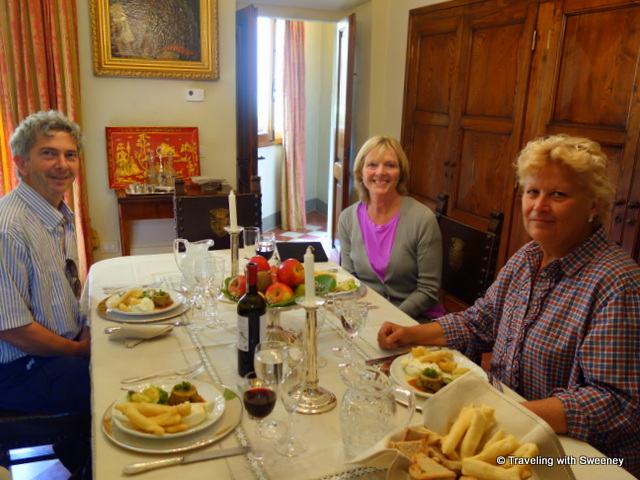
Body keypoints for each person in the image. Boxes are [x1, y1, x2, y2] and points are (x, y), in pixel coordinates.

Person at [377, 134, 640, 477]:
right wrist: (409, 333)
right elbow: (480, 321)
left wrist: (506, 413)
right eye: (532, 192)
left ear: (593, 205)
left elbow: (616, 403)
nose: (539, 206)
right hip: (508, 430)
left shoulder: (617, 284)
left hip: (576, 458)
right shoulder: (527, 257)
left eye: (558, 194)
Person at [0, 110, 91, 478]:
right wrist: (77, 350)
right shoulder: (9, 229)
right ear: (21, 163)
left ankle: (77, 449)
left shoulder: (56, 213)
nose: (62, 165)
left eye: (70, 155)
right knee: (113, 384)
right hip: (15, 370)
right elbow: (13, 328)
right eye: (48, 154)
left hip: (48, 353)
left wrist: (84, 330)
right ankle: (89, 464)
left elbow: (63, 292)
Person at [338, 136, 443, 322]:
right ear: (360, 172)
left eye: (390, 165)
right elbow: (350, 280)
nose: (381, 172)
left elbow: (428, 290)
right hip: (367, 313)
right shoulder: (347, 218)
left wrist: (391, 319)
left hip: (415, 317)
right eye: (372, 165)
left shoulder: (423, 219)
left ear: (400, 173)